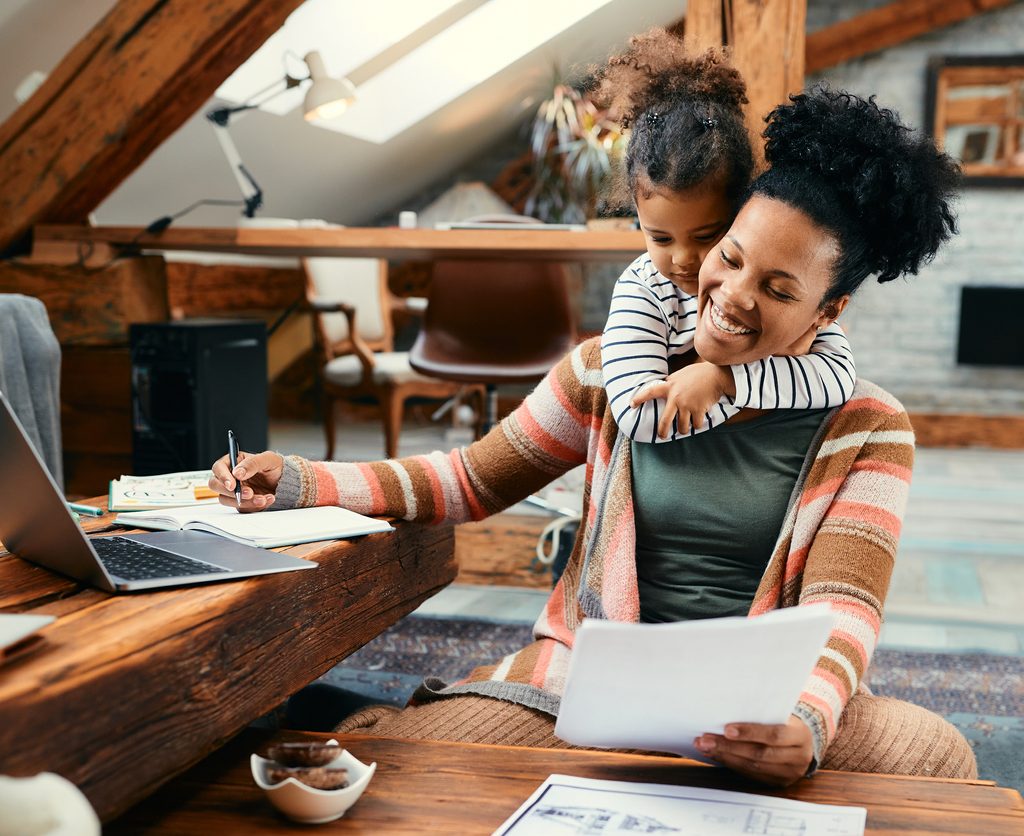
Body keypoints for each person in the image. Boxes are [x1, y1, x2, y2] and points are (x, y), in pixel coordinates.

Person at [210, 85, 971, 787]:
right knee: (398, 760)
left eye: (777, 289)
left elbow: (846, 609)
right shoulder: (609, 375)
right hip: (588, 687)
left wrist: (805, 722)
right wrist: (305, 482)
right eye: (729, 256)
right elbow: (468, 480)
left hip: (761, 704)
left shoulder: (869, 426)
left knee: (941, 760)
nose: (732, 296)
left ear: (827, 313)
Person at [596, 32, 855, 443]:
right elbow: (642, 417)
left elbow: (838, 379)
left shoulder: (794, 306)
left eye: (707, 236)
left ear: (740, 214)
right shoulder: (643, 291)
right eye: (660, 238)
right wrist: (749, 383)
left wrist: (722, 381)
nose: (682, 259)